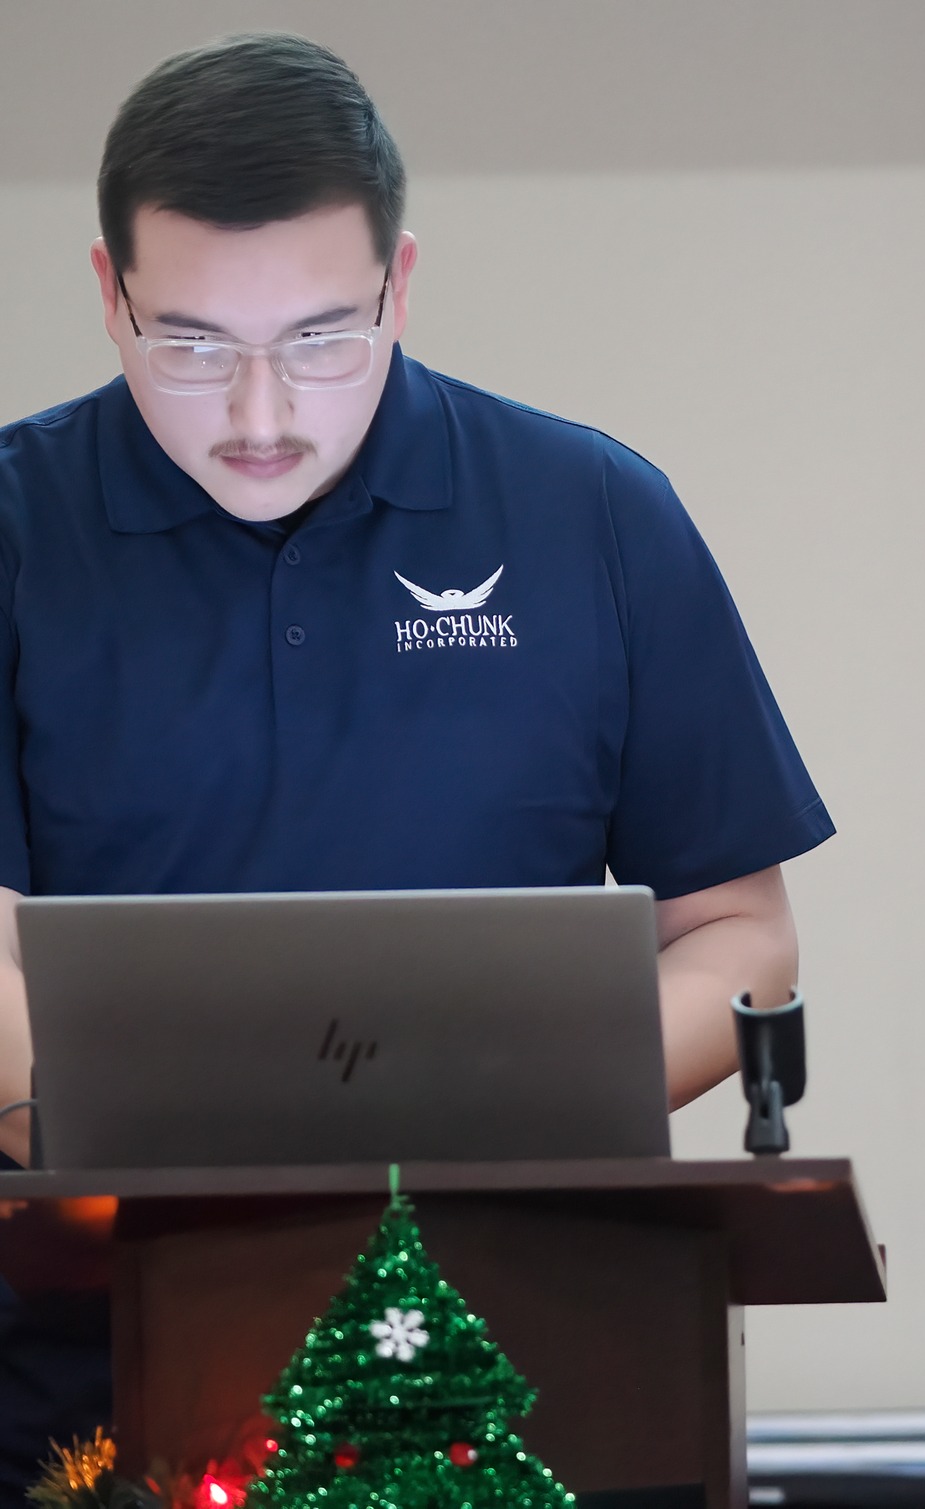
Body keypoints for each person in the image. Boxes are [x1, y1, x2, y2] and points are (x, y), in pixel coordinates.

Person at [0, 33, 832, 1486]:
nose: (260, 415)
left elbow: (740, 938)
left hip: (530, 1352)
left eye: (322, 338)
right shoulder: (17, 528)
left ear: (399, 283)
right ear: (108, 292)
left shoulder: (593, 515)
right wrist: (182, 1161)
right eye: (191, 344)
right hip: (97, 1380)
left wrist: (476, 1136)